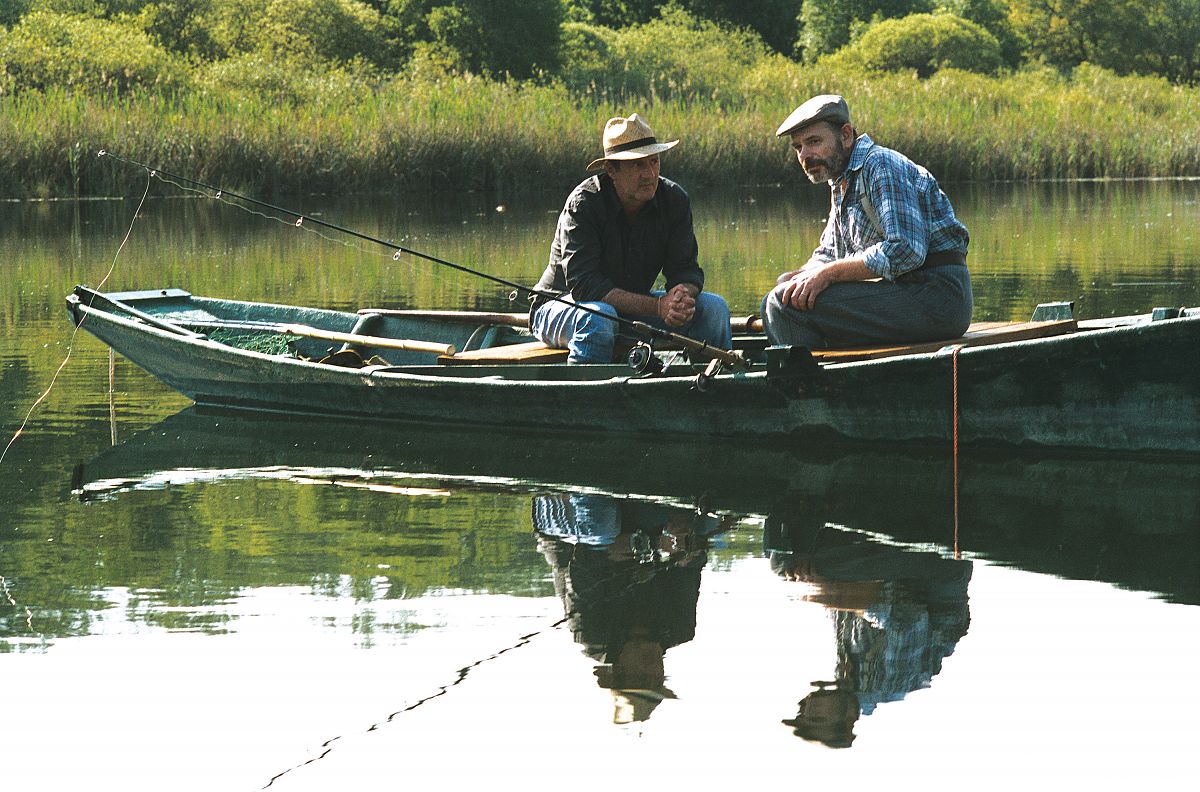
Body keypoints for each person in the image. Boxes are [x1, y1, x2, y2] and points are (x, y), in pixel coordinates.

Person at [762, 94, 973, 350]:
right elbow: (831, 252)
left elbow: (906, 250)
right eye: (798, 148)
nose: (805, 155)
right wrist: (803, 277)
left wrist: (827, 275)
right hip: (908, 292)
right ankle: (823, 377)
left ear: (846, 135)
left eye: (814, 142)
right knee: (782, 295)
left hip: (937, 297)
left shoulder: (880, 165)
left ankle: (813, 386)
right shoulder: (842, 181)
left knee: (784, 307)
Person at [530, 113, 732, 363]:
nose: (649, 174)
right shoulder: (584, 205)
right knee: (599, 317)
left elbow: (685, 270)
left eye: (654, 162)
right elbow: (585, 287)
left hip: (628, 311)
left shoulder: (674, 199)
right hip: (561, 307)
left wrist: (682, 296)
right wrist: (658, 307)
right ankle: (585, 396)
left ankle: (709, 390)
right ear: (611, 170)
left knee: (714, 309)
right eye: (638, 165)